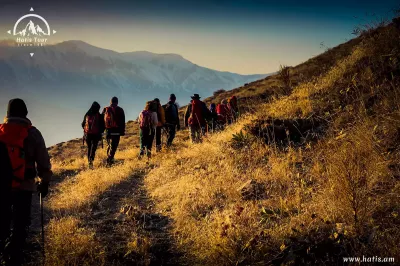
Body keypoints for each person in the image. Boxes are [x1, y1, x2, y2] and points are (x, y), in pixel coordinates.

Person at [0, 99, 52, 265]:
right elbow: (43, 161)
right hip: (24, 186)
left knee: (2, 221)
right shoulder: (33, 133)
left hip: (2, 187)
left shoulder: (0, 132)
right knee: (21, 223)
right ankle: (15, 255)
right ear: (26, 113)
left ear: (7, 114)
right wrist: (44, 182)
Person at [82, 101, 105, 169]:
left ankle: (89, 162)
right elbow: (103, 126)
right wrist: (100, 132)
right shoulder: (98, 115)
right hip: (96, 135)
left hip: (87, 135)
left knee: (89, 148)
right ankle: (91, 161)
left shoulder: (87, 114)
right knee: (93, 148)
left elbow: (82, 124)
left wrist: (86, 130)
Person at [102, 97, 125, 166]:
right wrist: (122, 131)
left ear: (110, 102)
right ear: (117, 102)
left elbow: (102, 121)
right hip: (116, 131)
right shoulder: (120, 109)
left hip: (108, 130)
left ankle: (109, 159)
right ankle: (110, 160)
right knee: (114, 146)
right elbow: (122, 121)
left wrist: (102, 131)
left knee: (109, 145)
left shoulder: (105, 109)